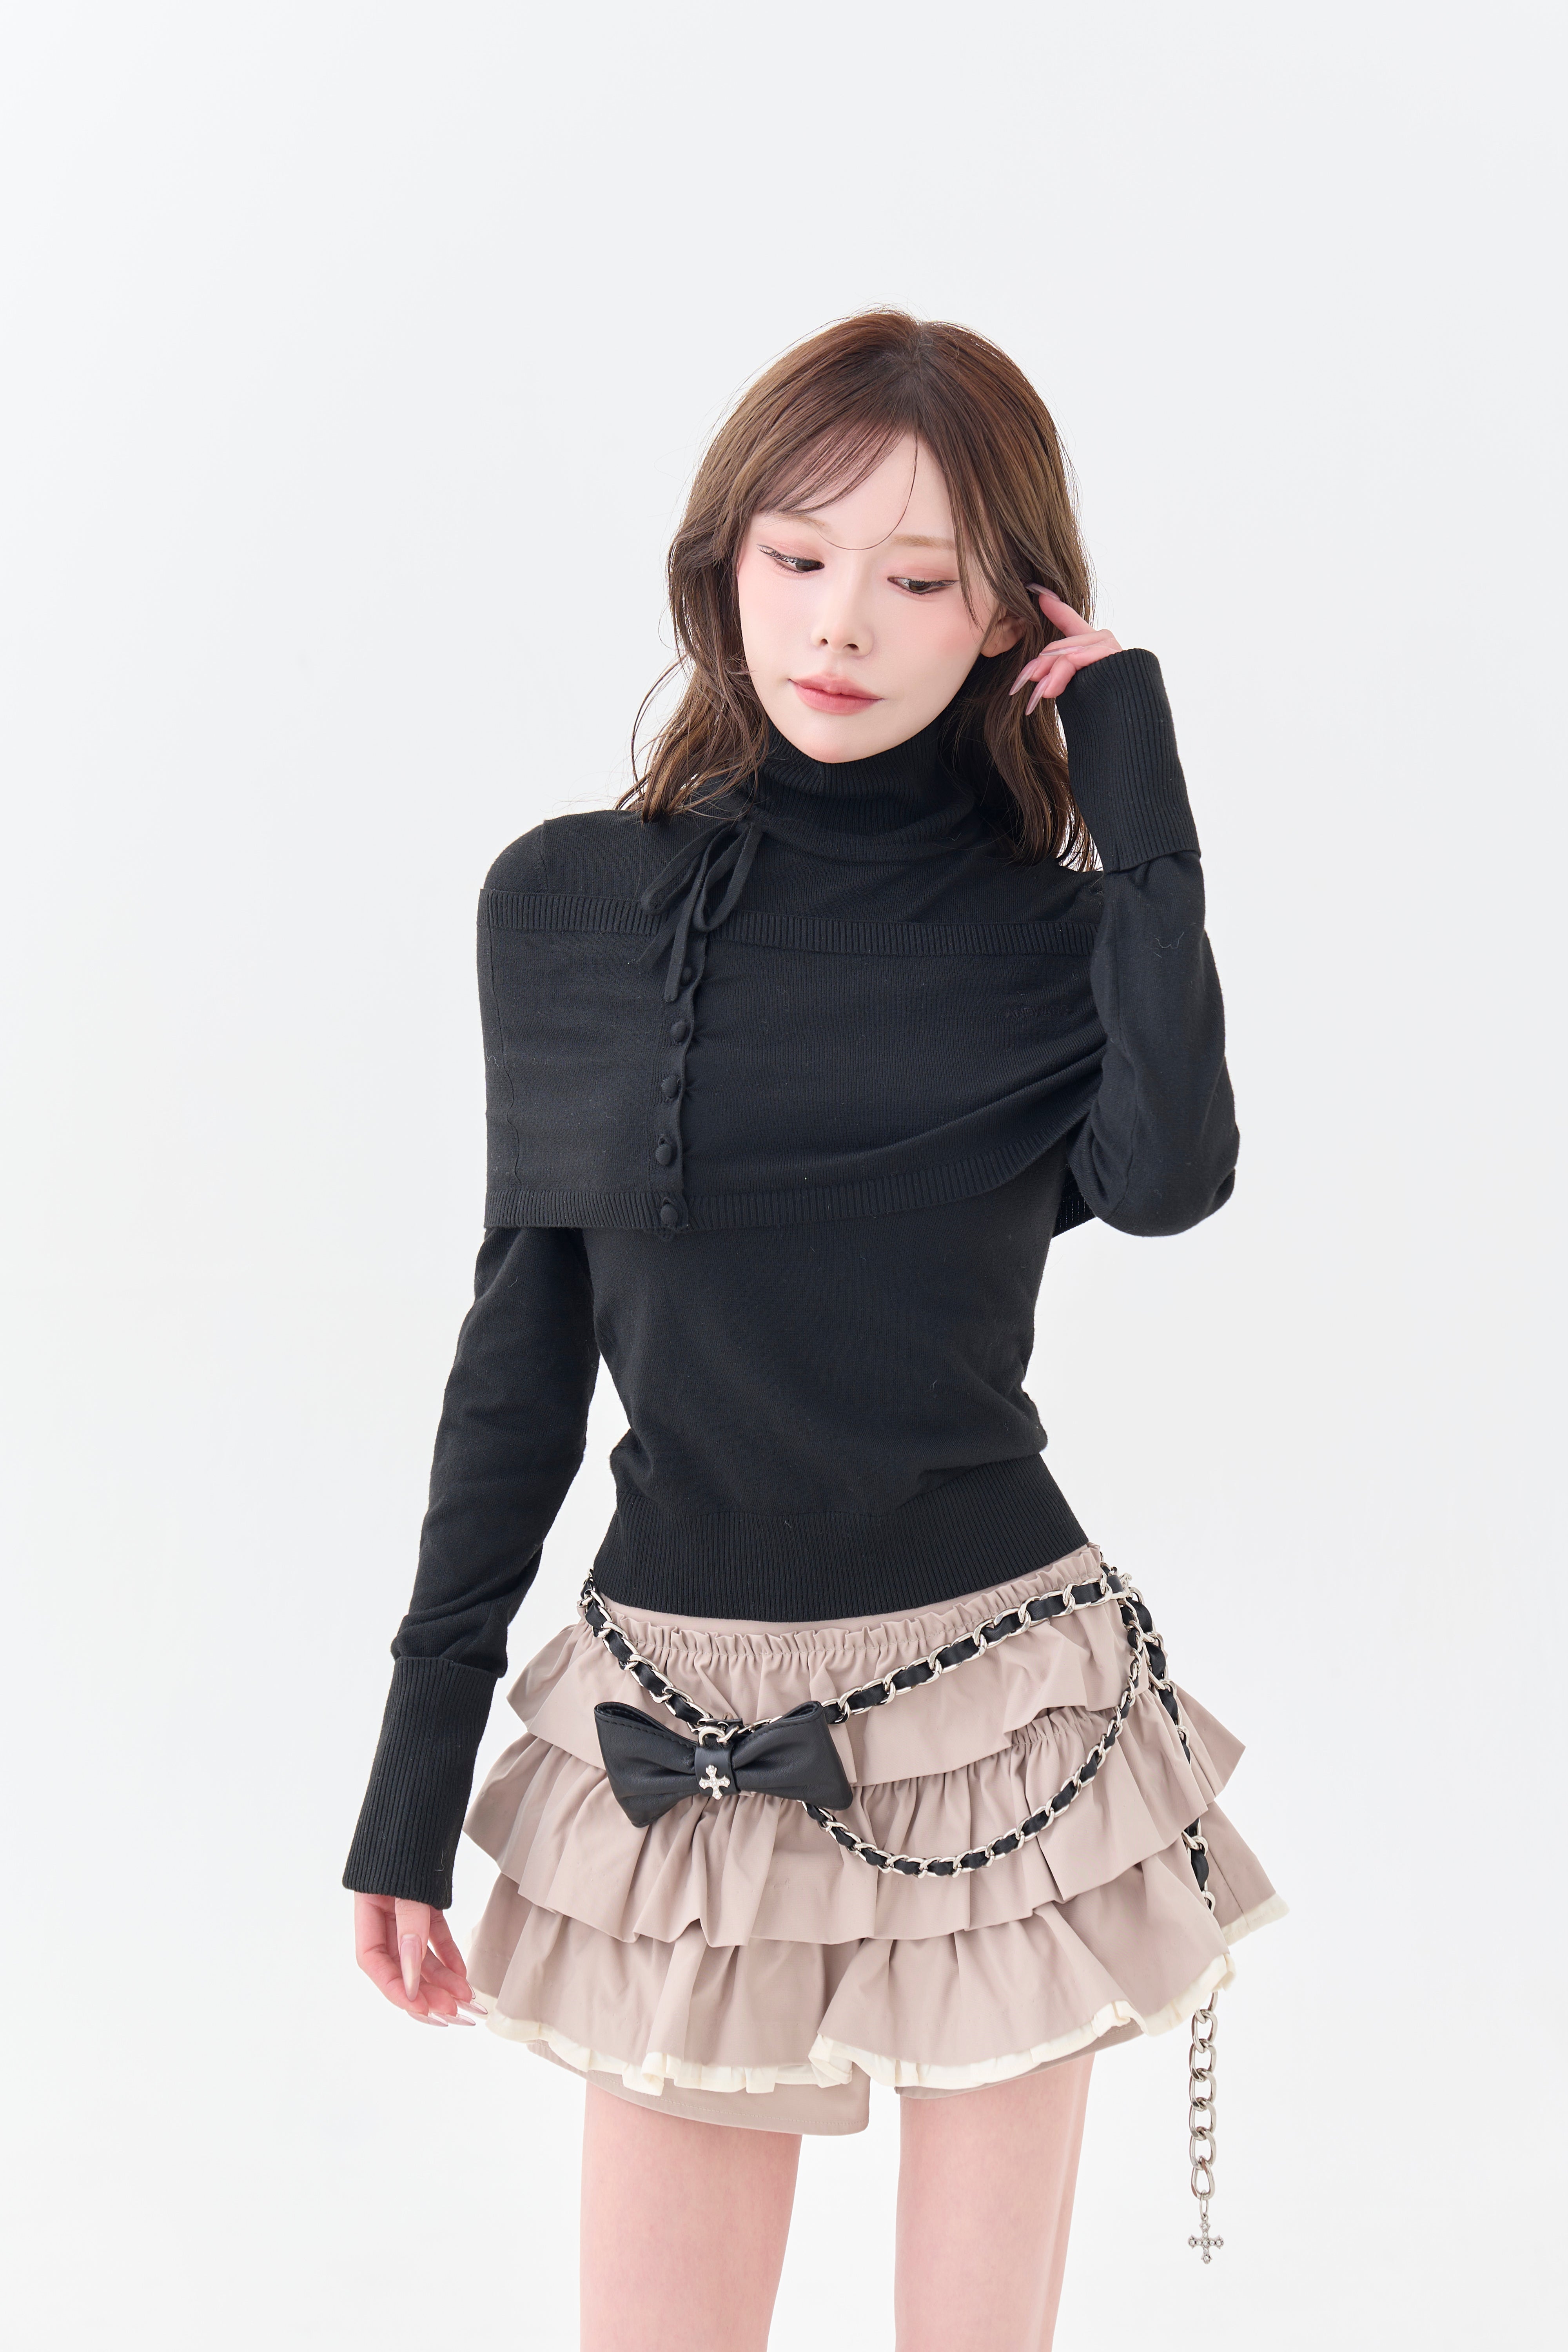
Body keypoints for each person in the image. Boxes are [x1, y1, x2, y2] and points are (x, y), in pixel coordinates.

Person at [344, 309, 1282, 2351]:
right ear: (726, 565)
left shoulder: (1058, 939)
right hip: (671, 1714)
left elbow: (1171, 1176)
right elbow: (522, 1357)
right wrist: (413, 1783)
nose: (842, 620)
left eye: (919, 578)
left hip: (998, 1714)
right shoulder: (569, 907)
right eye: (798, 555)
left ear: (1007, 618)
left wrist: (1140, 795)